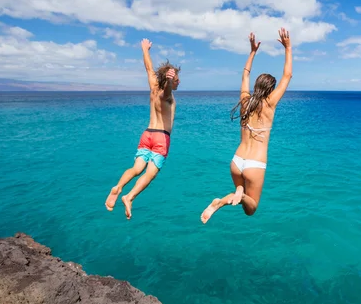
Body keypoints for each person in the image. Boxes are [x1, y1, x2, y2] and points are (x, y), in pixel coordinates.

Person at [201, 27, 292, 223]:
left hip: (237, 161)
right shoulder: (270, 104)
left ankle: (225, 199)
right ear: (270, 89)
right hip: (254, 164)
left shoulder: (244, 102)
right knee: (250, 209)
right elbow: (287, 76)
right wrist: (288, 48)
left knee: (238, 191)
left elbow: (244, 76)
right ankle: (239, 195)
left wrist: (252, 52)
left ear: (256, 86)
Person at [105, 38, 180, 219]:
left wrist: (145, 50)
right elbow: (168, 91)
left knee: (136, 168)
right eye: (177, 80)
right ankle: (129, 197)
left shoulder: (154, 87)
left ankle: (118, 186)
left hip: (147, 135)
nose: (178, 82)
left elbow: (148, 68)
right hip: (161, 138)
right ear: (170, 79)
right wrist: (170, 83)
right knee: (150, 174)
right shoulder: (166, 96)